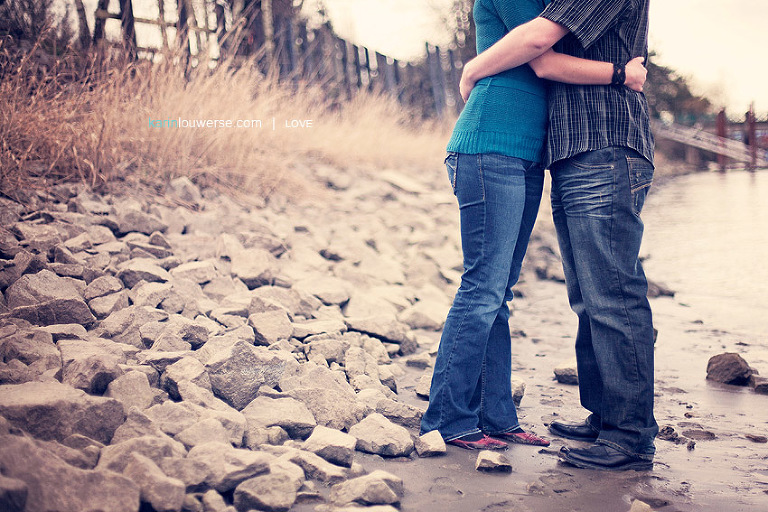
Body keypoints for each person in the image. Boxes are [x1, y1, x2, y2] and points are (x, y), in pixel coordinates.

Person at [419, 0, 646, 451]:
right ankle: (446, 418)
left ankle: (498, 417)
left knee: (498, 290)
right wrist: (623, 73)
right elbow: (540, 54)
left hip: (528, 154)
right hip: (490, 142)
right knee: (482, 287)